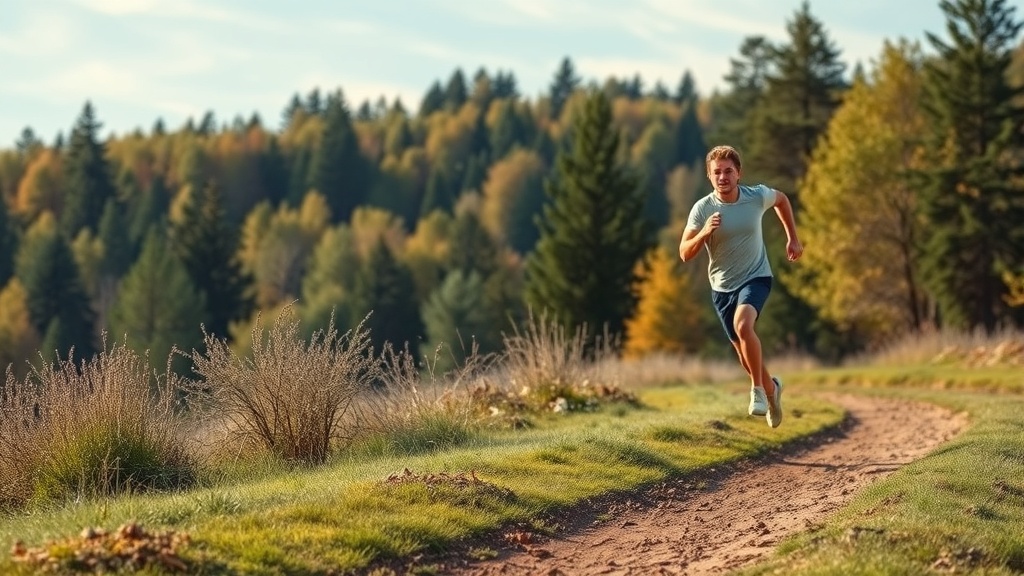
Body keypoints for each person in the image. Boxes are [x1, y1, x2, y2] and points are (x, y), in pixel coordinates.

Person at [678, 145, 803, 428]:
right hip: (722, 288)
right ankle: (772, 390)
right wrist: (705, 232)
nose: (723, 177)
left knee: (744, 326)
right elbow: (684, 253)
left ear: (739, 174)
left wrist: (792, 238)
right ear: (709, 177)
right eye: (717, 173)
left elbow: (782, 200)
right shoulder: (702, 209)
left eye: (728, 171)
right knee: (745, 357)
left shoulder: (755, 196)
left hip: (756, 276)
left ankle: (757, 391)